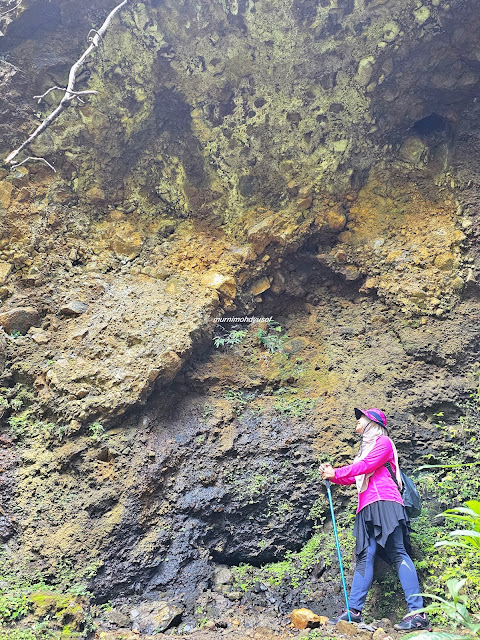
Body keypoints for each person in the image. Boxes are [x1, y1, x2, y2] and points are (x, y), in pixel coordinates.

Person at [319, 407, 431, 631]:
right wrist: (332, 475)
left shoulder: (383, 443)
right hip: (367, 506)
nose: (356, 424)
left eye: (359, 419)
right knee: (365, 555)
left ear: (372, 422)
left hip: (385, 502)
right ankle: (354, 611)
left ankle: (418, 614)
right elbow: (356, 476)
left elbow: (367, 466)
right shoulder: (365, 451)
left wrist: (337, 472)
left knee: (397, 551)